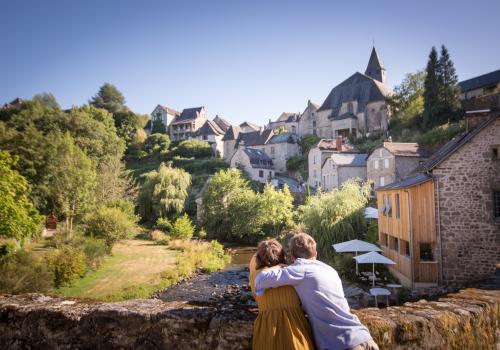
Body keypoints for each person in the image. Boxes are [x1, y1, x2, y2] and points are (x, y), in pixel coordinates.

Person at [255, 233, 378, 350]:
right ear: (316, 253)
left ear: (292, 257)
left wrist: (280, 266)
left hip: (341, 343)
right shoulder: (330, 270)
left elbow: (260, 280)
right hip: (365, 338)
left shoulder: (299, 270)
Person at [249, 239, 316, 350]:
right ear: (282, 255)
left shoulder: (254, 276)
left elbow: (256, 295)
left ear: (259, 257)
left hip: (267, 328)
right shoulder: (292, 272)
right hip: (296, 326)